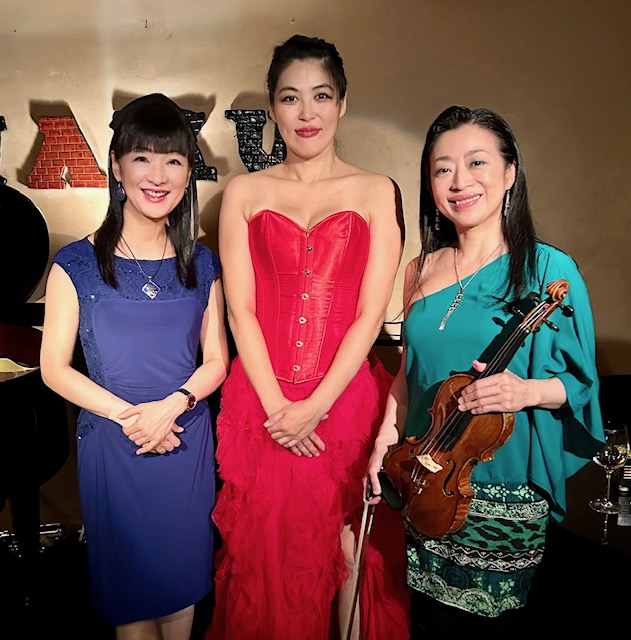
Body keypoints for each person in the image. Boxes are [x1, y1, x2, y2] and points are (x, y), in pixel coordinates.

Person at [366, 105, 605, 636]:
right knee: (426, 622)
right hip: (425, 476)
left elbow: (580, 385)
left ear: (510, 172)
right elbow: (408, 377)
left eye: (477, 162)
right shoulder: (419, 268)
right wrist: (383, 442)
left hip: (500, 483)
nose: (459, 181)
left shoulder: (549, 268)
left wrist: (525, 391)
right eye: (443, 168)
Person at [208, 34, 410, 640]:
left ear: (342, 103)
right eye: (290, 97)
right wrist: (280, 411)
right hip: (261, 401)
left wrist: (315, 408)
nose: (306, 112)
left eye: (321, 96)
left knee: (346, 547)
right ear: (273, 107)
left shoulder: (376, 190)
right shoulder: (244, 192)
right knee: (266, 554)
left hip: (344, 400)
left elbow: (370, 314)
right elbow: (241, 311)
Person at [40, 93, 229, 640]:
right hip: (113, 442)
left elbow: (216, 360)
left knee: (181, 595)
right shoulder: (76, 264)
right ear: (117, 168)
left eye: (173, 160)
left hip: (184, 439)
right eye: (142, 157)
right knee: (130, 604)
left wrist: (171, 408)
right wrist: (135, 417)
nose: (157, 175)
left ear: (188, 174)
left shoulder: (203, 263)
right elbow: (54, 368)